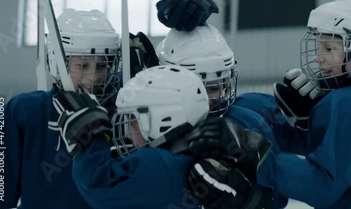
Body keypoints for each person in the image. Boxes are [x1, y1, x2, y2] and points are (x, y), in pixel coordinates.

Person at [187, 0, 351, 208]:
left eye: (329, 48)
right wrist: (304, 125)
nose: (317, 56)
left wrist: (255, 154)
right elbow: (337, 152)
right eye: (319, 46)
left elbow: (322, 186)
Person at [0, 1, 216, 207]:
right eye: (82, 66)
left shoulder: (128, 110)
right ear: (57, 62)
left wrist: (150, 75)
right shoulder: (24, 110)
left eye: (102, 66)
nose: (93, 77)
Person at [68, 25, 277, 209]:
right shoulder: (202, 156)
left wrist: (89, 142)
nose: (129, 135)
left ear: (162, 121)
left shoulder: (156, 163)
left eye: (133, 122)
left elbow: (97, 184)